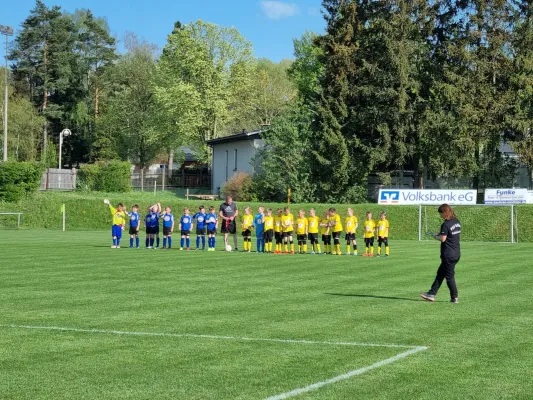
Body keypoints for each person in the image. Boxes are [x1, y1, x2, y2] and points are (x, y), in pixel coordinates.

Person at [420, 204, 461, 304]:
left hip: (448, 254)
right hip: (456, 253)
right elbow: (450, 236)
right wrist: (440, 234)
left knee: (449, 276)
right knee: (440, 274)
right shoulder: (457, 222)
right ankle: (431, 294)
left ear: (445, 212)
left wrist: (435, 235)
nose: (440, 216)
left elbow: (443, 239)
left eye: (441, 214)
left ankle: (454, 297)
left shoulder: (445, 224)